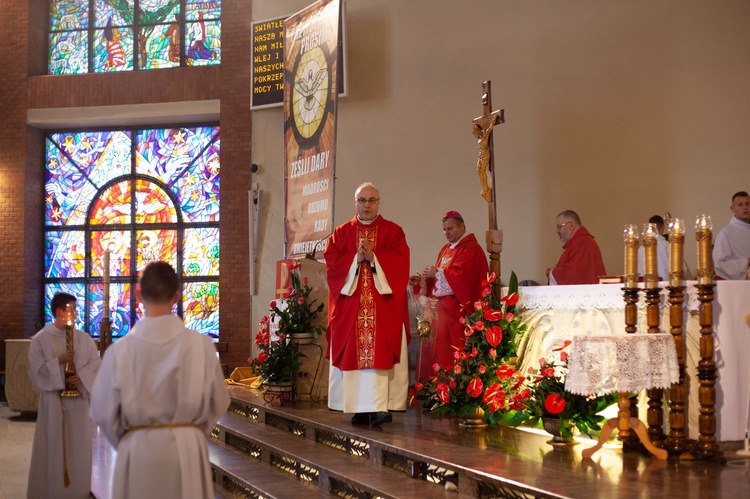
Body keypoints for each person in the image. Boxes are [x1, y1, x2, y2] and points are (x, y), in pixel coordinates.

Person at [90, 261, 230, 499]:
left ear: (137, 294)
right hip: (187, 449)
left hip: (137, 450)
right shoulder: (202, 345)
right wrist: (190, 433)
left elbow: (102, 411)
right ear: (176, 297)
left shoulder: (119, 351)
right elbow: (218, 403)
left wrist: (131, 440)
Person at [324, 182, 410, 426]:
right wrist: (355, 259)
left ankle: (379, 406)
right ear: (355, 203)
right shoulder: (341, 233)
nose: (367, 205)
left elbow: (401, 264)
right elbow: (332, 266)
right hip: (352, 308)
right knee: (354, 353)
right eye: (362, 200)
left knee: (380, 354)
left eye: (372, 200)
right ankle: (358, 408)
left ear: (379, 202)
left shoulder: (393, 232)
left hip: (382, 307)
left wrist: (375, 258)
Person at [27, 292, 101, 499]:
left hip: (79, 406)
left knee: (79, 453)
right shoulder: (41, 340)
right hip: (54, 405)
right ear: (60, 312)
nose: (76, 314)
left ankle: (78, 493)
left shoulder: (83, 338)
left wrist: (81, 377)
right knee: (54, 452)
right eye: (73, 309)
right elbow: (36, 372)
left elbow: (95, 365)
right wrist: (58, 361)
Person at [424, 211, 489, 368]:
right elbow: (440, 278)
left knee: (453, 352)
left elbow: (462, 278)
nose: (447, 233)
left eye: (450, 228)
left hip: (457, 313)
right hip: (442, 313)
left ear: (462, 227)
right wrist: (426, 277)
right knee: (441, 352)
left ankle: (452, 385)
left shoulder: (470, 248)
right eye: (444, 229)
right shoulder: (445, 250)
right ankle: (439, 385)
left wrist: (438, 273)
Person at [547, 210, 607, 285]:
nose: (557, 231)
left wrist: (552, 272)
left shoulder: (582, 244)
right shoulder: (576, 243)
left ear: (571, 225)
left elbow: (573, 276)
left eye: (559, 227)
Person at [713, 191, 750, 280]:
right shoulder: (726, 233)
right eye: (740, 205)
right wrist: (746, 262)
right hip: (740, 285)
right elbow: (720, 264)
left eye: (748, 204)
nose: (745, 207)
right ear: (732, 208)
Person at [637, 215, 669, 281]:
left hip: (644, 288)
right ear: (663, 228)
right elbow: (682, 269)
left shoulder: (640, 249)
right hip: (666, 288)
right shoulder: (669, 246)